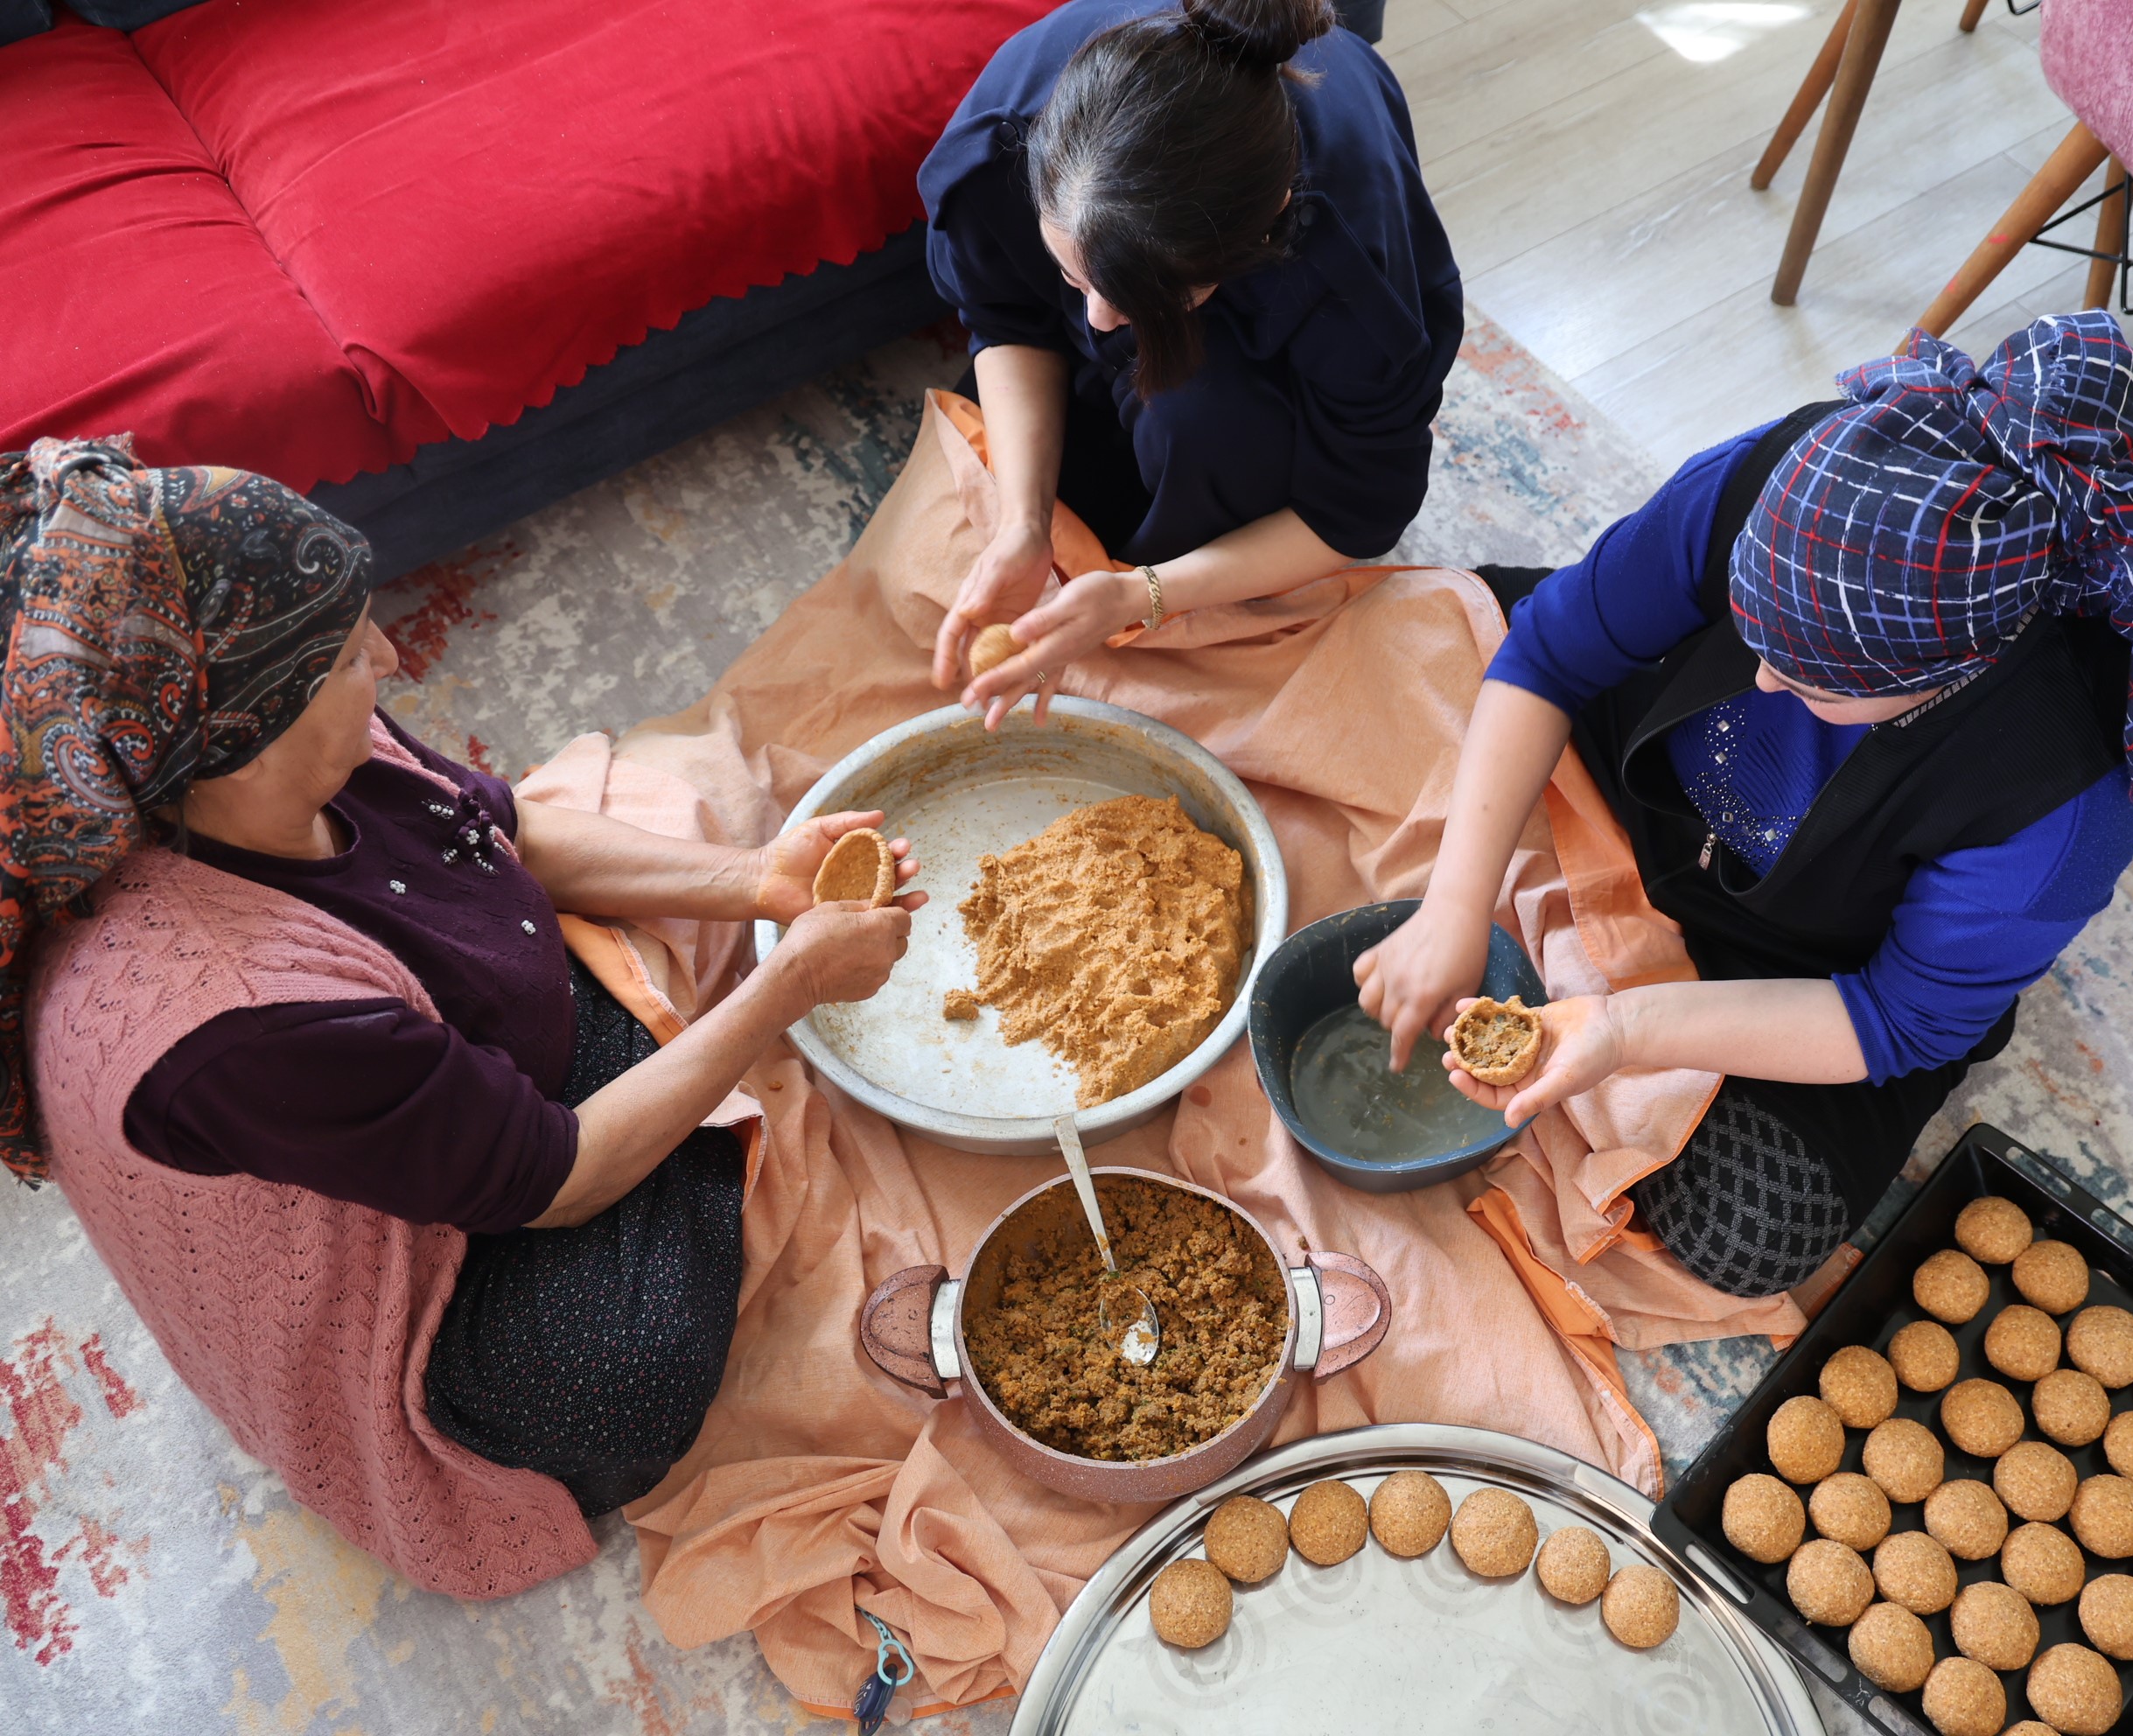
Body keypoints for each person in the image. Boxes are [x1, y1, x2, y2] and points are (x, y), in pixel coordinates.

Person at [7, 438, 924, 1530]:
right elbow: (555, 1181)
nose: (391, 659)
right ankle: (626, 1070)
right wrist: (786, 989)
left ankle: (617, 1052)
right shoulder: (228, 1018)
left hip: (435, 1104)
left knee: (656, 873)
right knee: (628, 1378)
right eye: (351, 656)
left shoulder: (265, 726)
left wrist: (758, 881)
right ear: (245, 741)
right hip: (410, 1284)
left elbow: (492, 824)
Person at [1356, 313, 2133, 1298]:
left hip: (1808, 956)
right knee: (1402, 643)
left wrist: (1626, 1030)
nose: (1756, 682)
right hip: (1635, 768)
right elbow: (1550, 654)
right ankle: (1580, 911)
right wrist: (1456, 907)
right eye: (1751, 633)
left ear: (1946, 676)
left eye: (1811, 684)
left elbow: (1893, 1019)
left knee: (1752, 1227)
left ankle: (1622, 954)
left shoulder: (2065, 795)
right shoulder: (1786, 470)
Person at [917, 0, 1463, 724]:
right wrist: (1025, 524)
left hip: (1269, 350)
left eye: (1144, 300)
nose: (1099, 320)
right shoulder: (1005, 138)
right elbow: (1004, 318)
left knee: (1206, 421)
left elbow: (1355, 508)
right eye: (1073, 279)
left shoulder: (1349, 275)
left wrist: (1147, 593)